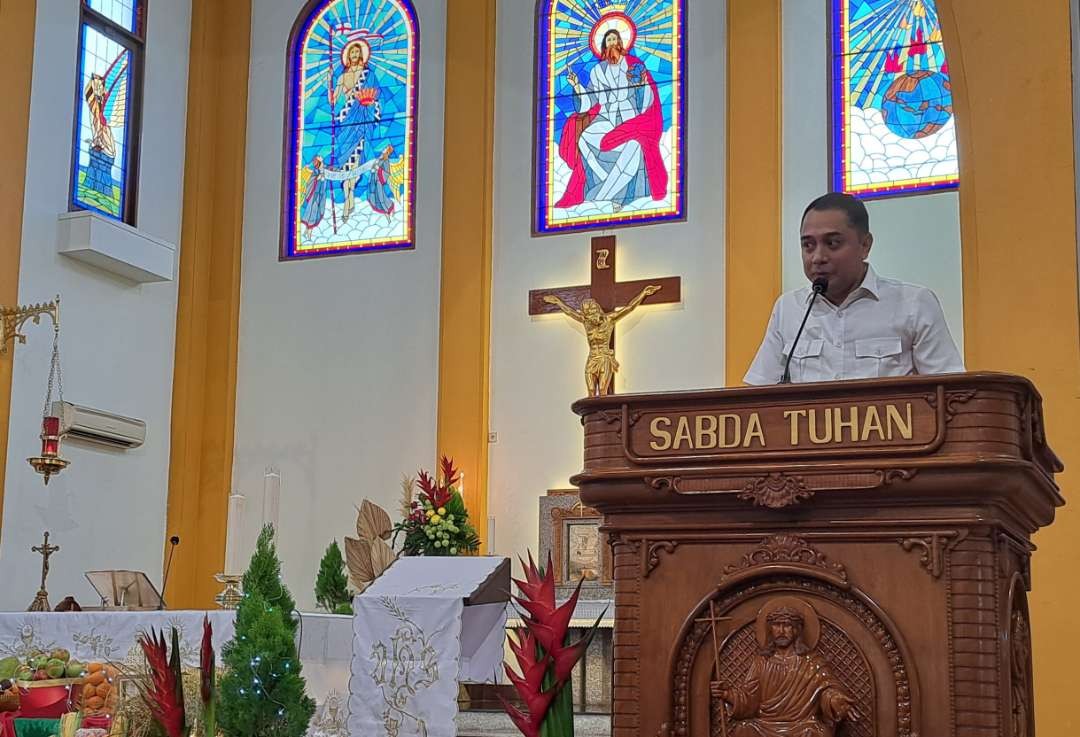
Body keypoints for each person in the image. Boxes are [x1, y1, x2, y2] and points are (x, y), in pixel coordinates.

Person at [744, 192, 964, 385]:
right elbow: (759, 397)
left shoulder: (913, 303)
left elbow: (952, 393)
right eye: (808, 245)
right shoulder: (789, 309)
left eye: (832, 244)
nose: (818, 257)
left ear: (865, 245)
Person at [555, 29, 667, 212]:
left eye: (615, 39)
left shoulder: (633, 64)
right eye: (609, 40)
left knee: (634, 146)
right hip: (606, 117)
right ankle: (604, 185)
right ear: (604, 46)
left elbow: (647, 98)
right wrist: (576, 85)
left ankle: (615, 195)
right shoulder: (598, 71)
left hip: (628, 117)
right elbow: (591, 101)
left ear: (621, 43)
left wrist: (641, 84)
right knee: (584, 139)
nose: (613, 43)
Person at [711, 599, 859, 737]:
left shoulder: (812, 663)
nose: (781, 631)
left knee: (817, 731)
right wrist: (727, 694)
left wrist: (836, 700)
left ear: (796, 630)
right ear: (770, 630)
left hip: (802, 725)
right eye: (776, 625)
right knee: (744, 728)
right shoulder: (762, 662)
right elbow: (749, 699)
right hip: (766, 724)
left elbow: (827, 690)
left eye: (787, 625)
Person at [543, 284, 662, 396]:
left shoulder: (609, 319)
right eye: (588, 312)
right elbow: (570, 312)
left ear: (597, 309)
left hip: (604, 358)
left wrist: (643, 293)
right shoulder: (586, 322)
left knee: (602, 390)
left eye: (593, 310)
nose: (591, 314)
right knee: (590, 391)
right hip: (592, 358)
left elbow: (629, 308)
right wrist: (558, 302)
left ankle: (602, 416)